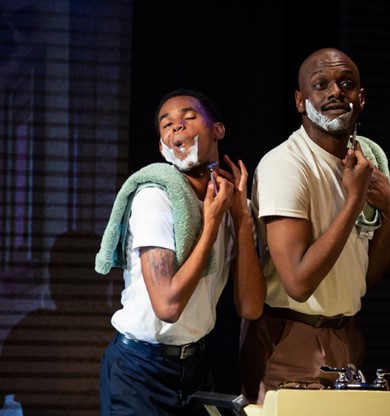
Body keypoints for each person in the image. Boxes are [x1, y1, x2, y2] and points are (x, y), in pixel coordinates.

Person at [239, 48, 390, 404]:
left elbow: (366, 277)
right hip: (290, 337)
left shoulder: (363, 162)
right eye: (320, 84)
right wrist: (354, 201)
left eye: (346, 84)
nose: (335, 92)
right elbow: (297, 282)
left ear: (361, 98)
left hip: (346, 336)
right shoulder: (286, 164)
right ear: (300, 101)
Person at [95, 88, 266, 415]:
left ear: (217, 129)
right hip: (139, 369)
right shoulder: (155, 197)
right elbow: (168, 306)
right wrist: (211, 224)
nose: (177, 127)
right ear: (162, 145)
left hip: (196, 367)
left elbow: (250, 307)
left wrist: (242, 219)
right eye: (167, 124)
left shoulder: (230, 206)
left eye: (188, 118)